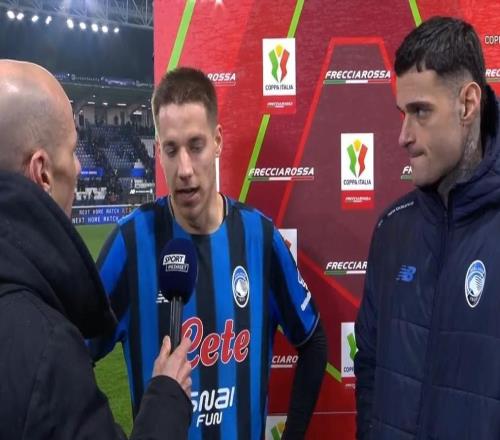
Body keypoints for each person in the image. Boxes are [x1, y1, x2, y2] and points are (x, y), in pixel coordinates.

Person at [90, 67, 327, 439]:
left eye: (196, 146)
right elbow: (68, 356)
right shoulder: (130, 244)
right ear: (158, 152)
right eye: (172, 150)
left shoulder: (259, 237)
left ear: (217, 142)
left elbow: (313, 341)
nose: (184, 168)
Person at [0, 59, 193, 439]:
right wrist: (167, 398)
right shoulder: (45, 348)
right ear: (42, 172)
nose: (77, 167)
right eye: (73, 150)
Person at [354, 16, 500, 439]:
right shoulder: (392, 230)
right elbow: (368, 368)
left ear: (467, 104)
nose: (403, 135)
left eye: (420, 111)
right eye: (403, 113)